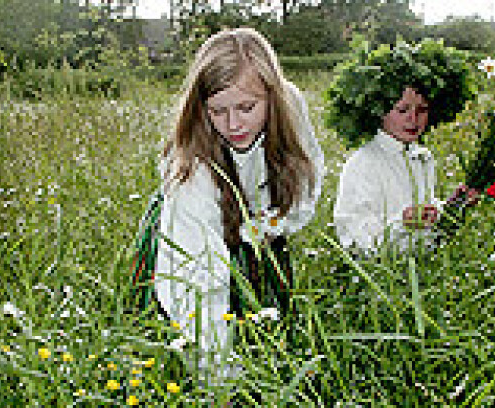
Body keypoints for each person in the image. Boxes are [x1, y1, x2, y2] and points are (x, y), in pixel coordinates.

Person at [131, 28, 324, 382]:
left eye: (247, 108)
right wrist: (217, 375)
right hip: (191, 240)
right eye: (218, 111)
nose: (234, 124)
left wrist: (275, 223)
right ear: (202, 107)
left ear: (272, 96)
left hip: (260, 226)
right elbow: (195, 272)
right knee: (176, 354)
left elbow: (306, 175)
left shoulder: (290, 107)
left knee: (264, 338)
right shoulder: (192, 167)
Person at [329, 40, 478, 254]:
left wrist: (452, 208)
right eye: (402, 110)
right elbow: (353, 236)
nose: (413, 119)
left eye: (423, 110)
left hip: (423, 271)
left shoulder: (423, 157)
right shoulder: (363, 164)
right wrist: (402, 223)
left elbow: (429, 226)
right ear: (377, 110)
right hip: (381, 276)